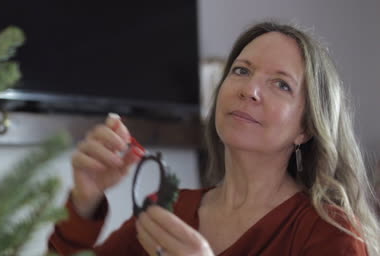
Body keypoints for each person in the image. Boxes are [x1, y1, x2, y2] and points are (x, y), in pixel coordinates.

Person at [48, 21, 380, 255]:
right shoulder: (170, 210)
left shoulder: (330, 234)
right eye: (242, 70)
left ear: (306, 128)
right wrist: (84, 201)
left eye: (281, 84)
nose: (249, 90)